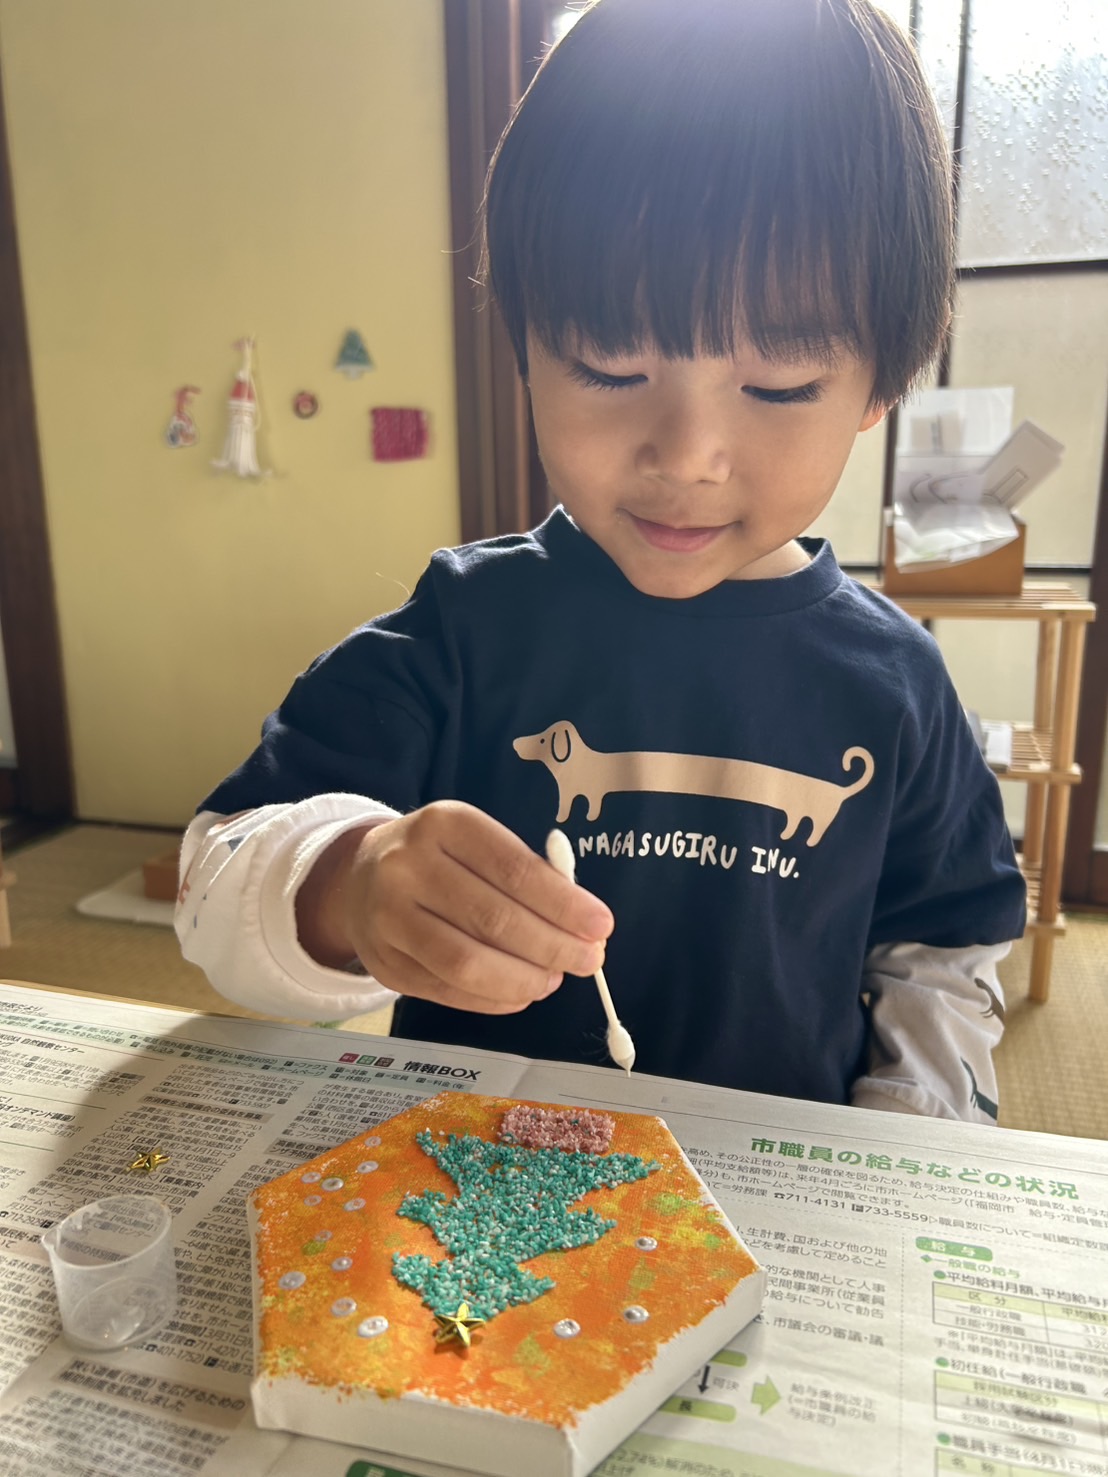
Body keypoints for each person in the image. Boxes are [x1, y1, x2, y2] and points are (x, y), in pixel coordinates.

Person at [177, 0, 1025, 1120]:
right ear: (525, 345)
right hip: (482, 1179)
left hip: (766, 1186)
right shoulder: (464, 631)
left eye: (778, 387)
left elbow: (944, 948)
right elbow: (216, 874)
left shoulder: (895, 679)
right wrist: (350, 883)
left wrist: (904, 1143)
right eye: (609, 366)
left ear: (878, 386)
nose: (686, 456)